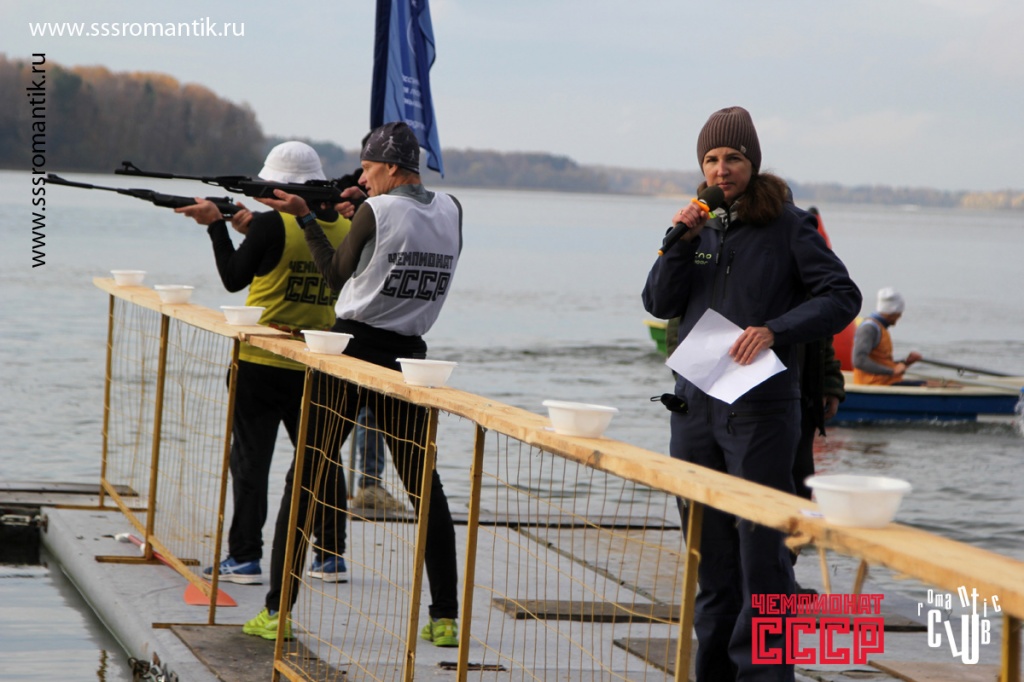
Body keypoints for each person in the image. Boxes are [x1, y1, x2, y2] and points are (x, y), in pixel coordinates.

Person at [641, 106, 861, 681]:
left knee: (763, 563)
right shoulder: (698, 225)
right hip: (694, 409)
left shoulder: (789, 225)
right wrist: (679, 241)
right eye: (711, 159)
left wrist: (775, 330)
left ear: (752, 163)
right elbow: (658, 303)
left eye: (733, 158)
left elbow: (842, 297)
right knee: (710, 564)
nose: (722, 169)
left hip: (761, 413)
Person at [248, 121, 464, 647]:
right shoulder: (452, 209)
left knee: (305, 477)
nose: (363, 179)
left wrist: (307, 218)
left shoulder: (376, 210)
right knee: (425, 488)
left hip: (350, 352)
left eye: (368, 169)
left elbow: (333, 274)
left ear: (390, 166)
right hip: (410, 357)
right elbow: (397, 246)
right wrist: (362, 213)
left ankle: (277, 611)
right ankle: (445, 618)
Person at [175, 141, 351, 586]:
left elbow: (234, 278)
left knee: (250, 462)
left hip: (260, 359)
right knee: (323, 460)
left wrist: (215, 227)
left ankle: (245, 556)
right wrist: (250, 231)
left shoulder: (272, 225)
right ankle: (330, 555)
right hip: (318, 362)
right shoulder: (345, 228)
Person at [852, 287, 922, 385]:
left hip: (887, 381)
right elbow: (859, 361)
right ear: (892, 312)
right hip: (874, 384)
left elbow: (882, 361)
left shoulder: (881, 327)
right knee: (930, 385)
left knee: (934, 383)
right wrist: (892, 371)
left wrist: (906, 362)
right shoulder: (869, 328)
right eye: (899, 313)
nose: (899, 317)